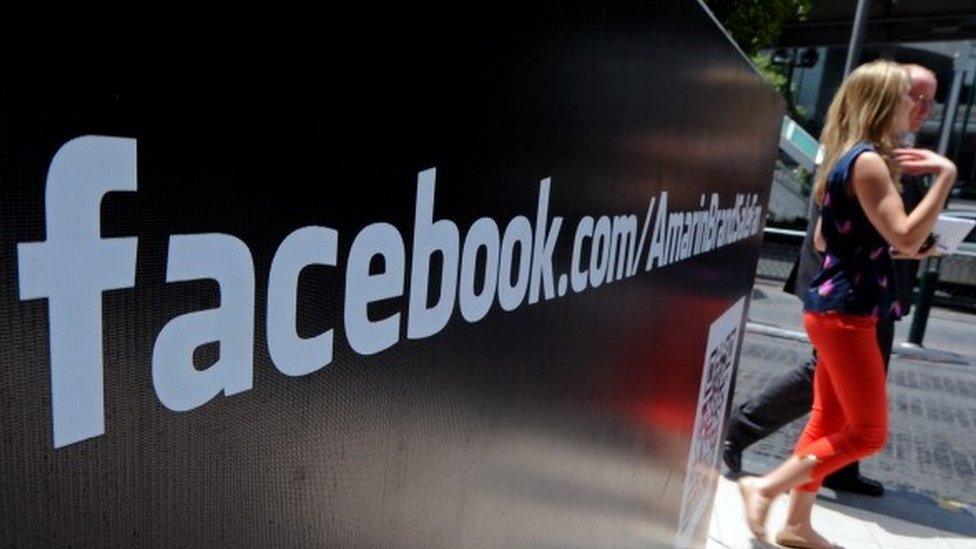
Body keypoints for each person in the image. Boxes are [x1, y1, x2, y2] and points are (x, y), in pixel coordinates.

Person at [737, 60, 957, 548]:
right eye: (908, 97)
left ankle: (796, 525)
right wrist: (945, 177)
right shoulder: (871, 161)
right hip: (850, 312)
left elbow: (825, 239)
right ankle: (766, 487)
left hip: (833, 306)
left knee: (828, 420)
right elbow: (901, 230)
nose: (918, 106)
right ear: (884, 101)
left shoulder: (846, 157)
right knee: (867, 434)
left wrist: (896, 248)